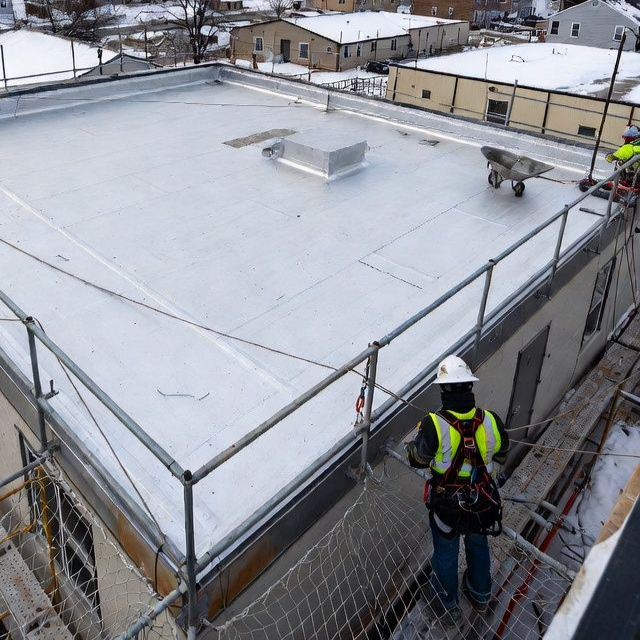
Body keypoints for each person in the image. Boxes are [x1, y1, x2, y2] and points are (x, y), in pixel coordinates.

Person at [405, 355, 509, 625]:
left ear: (443, 389)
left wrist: (415, 445)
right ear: (469, 387)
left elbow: (417, 458)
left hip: (448, 506)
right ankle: (480, 593)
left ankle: (446, 606)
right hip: (481, 502)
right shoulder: (491, 420)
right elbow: (503, 453)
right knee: (478, 543)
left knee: (446, 554)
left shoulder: (433, 424)